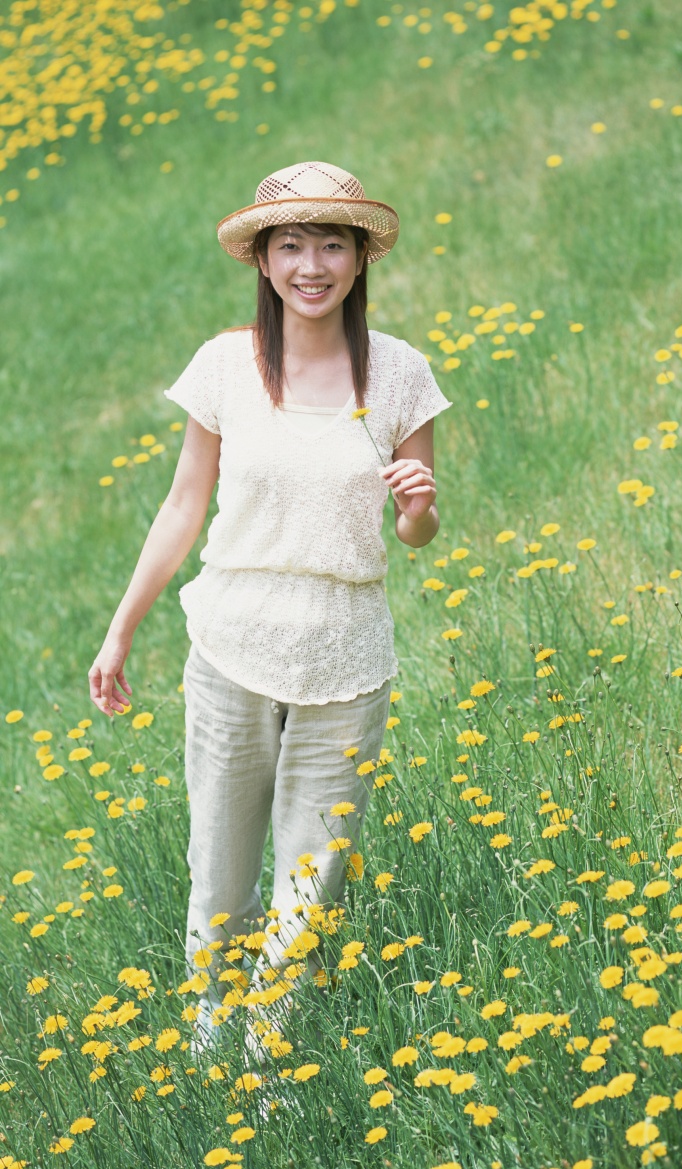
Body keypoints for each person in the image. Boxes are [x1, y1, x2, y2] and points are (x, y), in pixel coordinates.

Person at [87, 161, 453, 1071]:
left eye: (333, 242)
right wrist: (121, 627)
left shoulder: (402, 373)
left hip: (347, 652)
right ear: (262, 258)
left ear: (362, 257)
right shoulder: (226, 365)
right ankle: (212, 1021)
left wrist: (416, 505)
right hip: (233, 641)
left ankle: (268, 1052)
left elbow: (419, 532)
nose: (312, 264)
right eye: (290, 243)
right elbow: (183, 505)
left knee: (312, 868)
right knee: (219, 859)